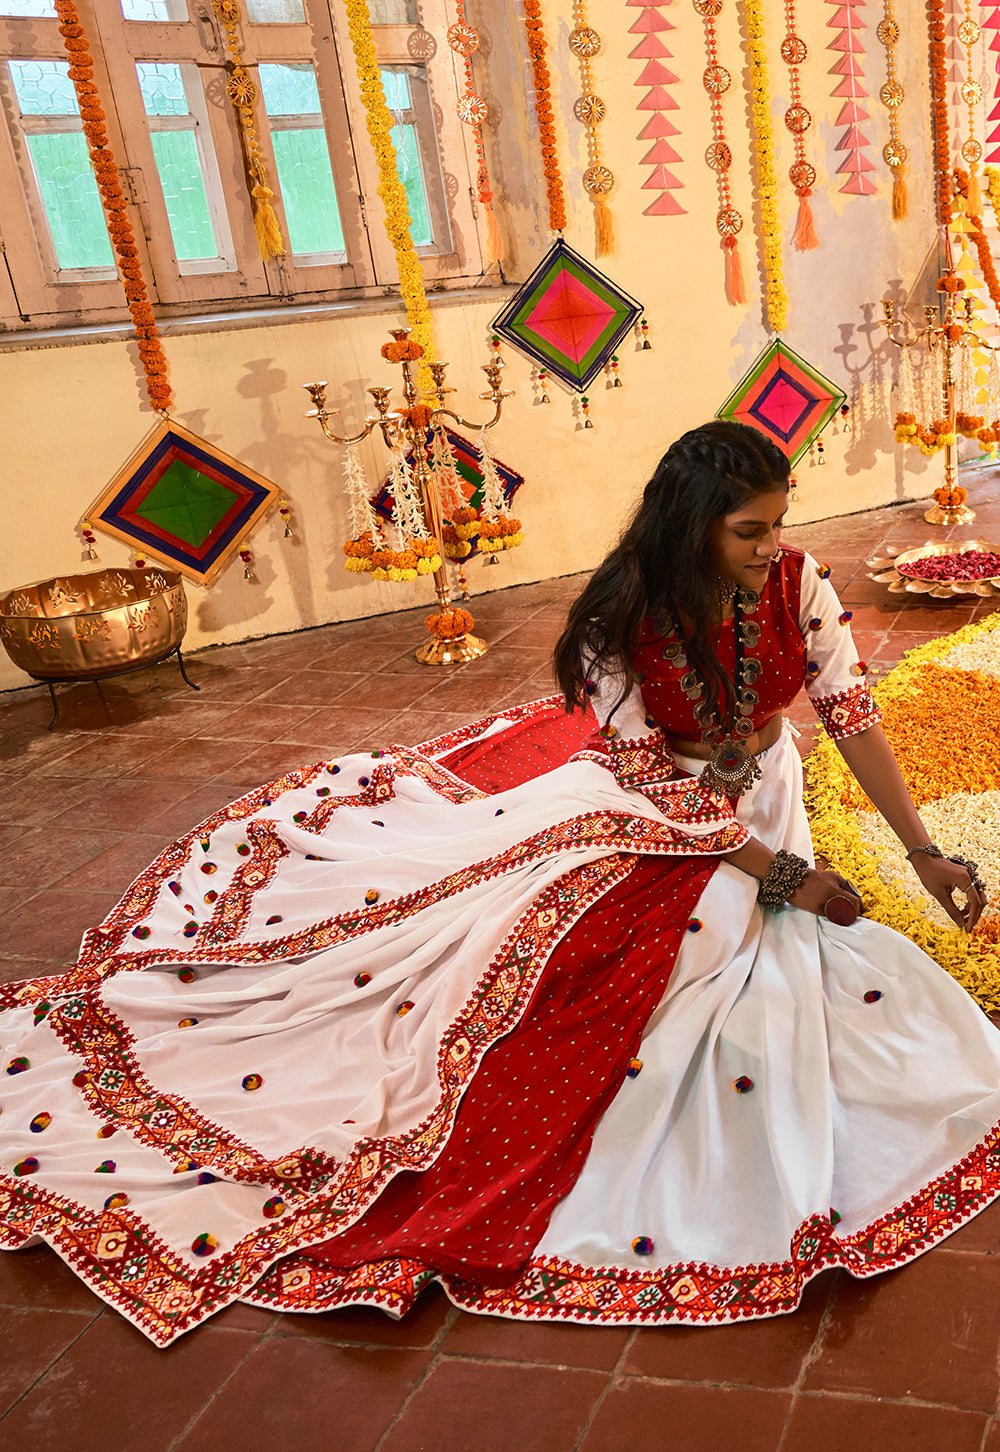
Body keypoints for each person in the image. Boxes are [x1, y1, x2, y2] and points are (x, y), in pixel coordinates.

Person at [1, 420, 998, 1348]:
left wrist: (920, 853)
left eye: (778, 524)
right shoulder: (621, 615)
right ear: (691, 526)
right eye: (747, 530)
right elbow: (648, 777)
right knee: (588, 973)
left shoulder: (797, 581)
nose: (768, 548)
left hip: (757, 793)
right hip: (645, 810)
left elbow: (849, 712)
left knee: (782, 973)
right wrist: (784, 875)